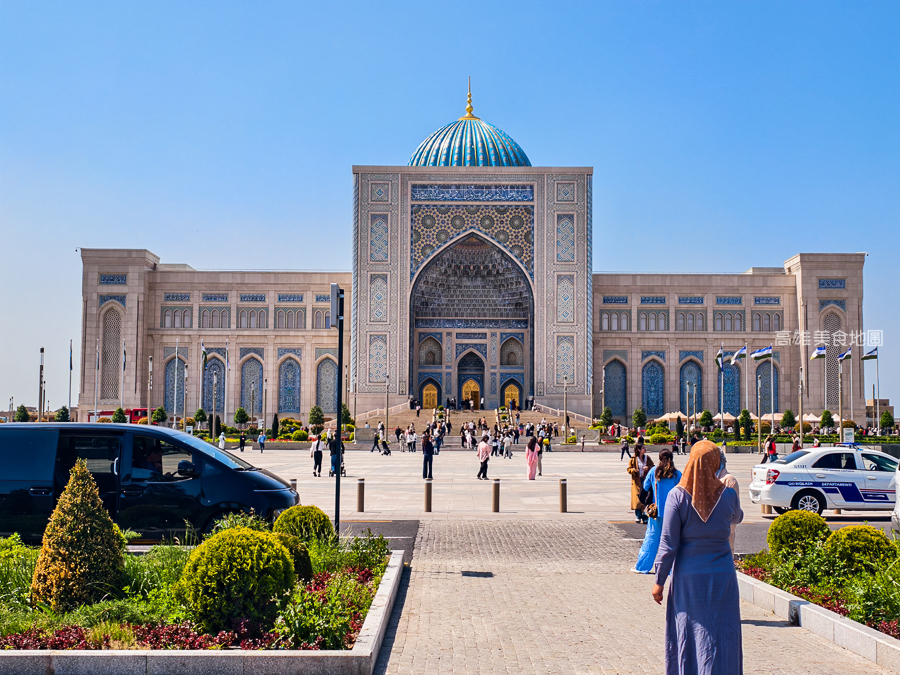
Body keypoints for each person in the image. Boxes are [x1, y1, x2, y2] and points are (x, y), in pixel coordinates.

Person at [651, 441, 744, 674]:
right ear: (715, 463)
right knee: (722, 634)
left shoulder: (677, 496)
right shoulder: (728, 494)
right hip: (723, 576)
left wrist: (659, 580)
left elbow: (668, 543)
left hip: (689, 578)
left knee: (690, 633)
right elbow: (738, 517)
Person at [633, 449, 682, 573]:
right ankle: (671, 569)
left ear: (660, 459)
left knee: (651, 538)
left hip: (656, 512)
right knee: (672, 540)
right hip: (673, 513)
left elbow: (645, 488)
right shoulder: (677, 474)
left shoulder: (653, 472)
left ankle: (642, 566)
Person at [627, 445, 654, 524]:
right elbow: (629, 469)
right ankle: (638, 515)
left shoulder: (647, 458)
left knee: (646, 497)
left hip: (646, 480)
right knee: (638, 498)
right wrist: (634, 470)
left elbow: (653, 467)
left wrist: (648, 468)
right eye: (643, 448)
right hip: (637, 480)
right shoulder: (633, 459)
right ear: (638, 450)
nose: (645, 449)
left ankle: (645, 516)